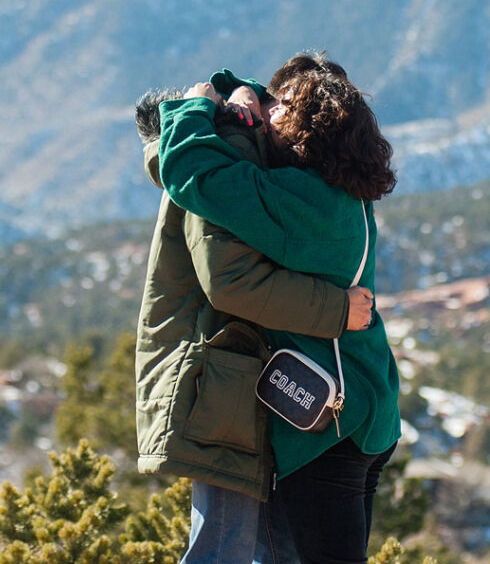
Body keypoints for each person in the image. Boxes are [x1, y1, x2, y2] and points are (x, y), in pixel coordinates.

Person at [157, 55, 401, 564]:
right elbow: (269, 98)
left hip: (323, 426)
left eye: (283, 107)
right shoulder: (343, 196)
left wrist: (196, 106)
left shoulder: (299, 204)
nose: (270, 111)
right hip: (368, 412)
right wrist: (236, 92)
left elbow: (194, 173)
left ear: (309, 129)